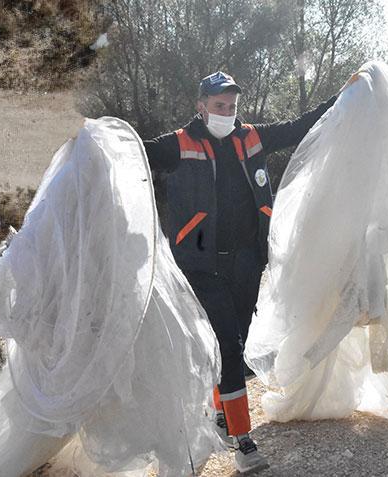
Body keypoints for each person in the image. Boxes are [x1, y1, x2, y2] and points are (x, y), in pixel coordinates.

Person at [143, 71, 338, 473]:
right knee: (229, 348)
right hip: (201, 263)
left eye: (231, 106)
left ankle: (221, 411)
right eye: (219, 106)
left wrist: (343, 96)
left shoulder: (249, 136)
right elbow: (137, 152)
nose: (226, 113)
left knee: (236, 345)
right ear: (201, 105)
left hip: (246, 260)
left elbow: (300, 127)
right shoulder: (179, 144)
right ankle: (243, 439)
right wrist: (104, 138)